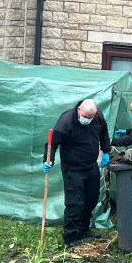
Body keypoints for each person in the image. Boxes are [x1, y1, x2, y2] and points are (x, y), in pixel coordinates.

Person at [42, 98, 111, 245]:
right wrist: (48, 160)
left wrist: (106, 151)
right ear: (79, 109)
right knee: (75, 203)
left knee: (92, 198)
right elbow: (52, 143)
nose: (87, 120)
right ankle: (70, 237)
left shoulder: (97, 117)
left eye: (90, 118)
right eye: (85, 117)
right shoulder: (66, 122)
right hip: (72, 168)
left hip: (91, 165)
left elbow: (104, 133)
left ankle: (83, 229)